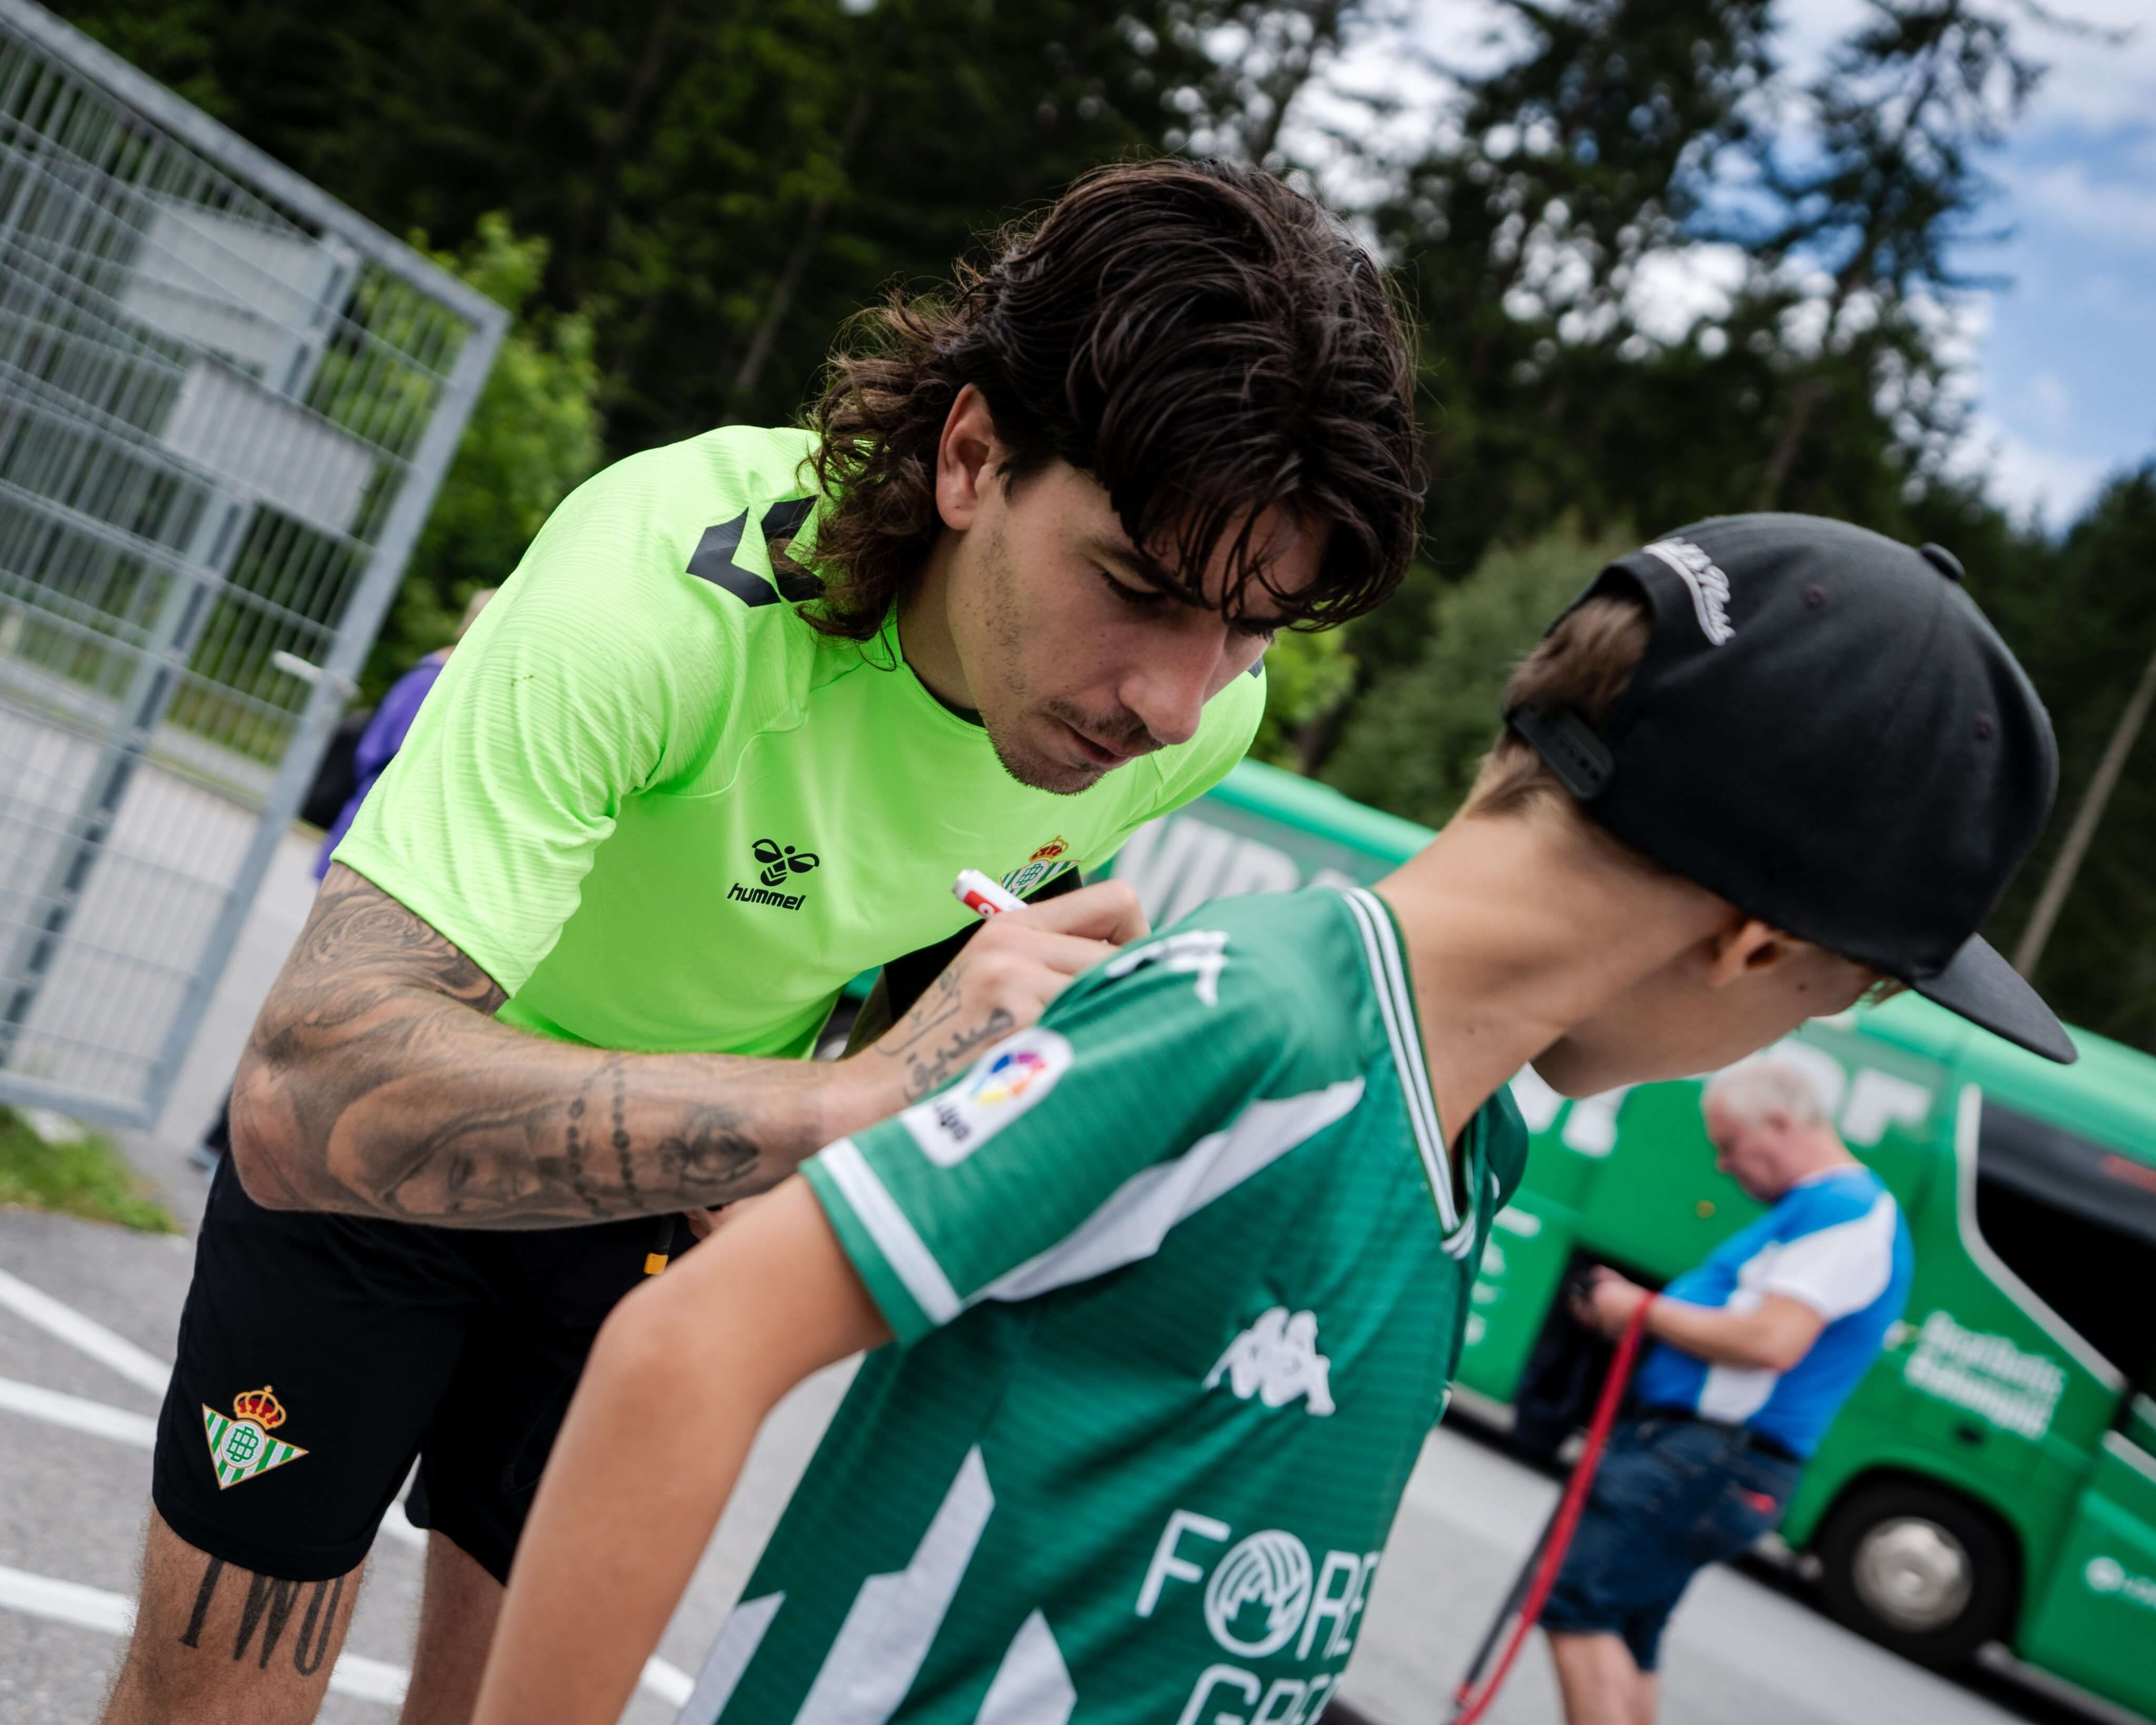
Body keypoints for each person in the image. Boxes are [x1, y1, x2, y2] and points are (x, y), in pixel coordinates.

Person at [104, 157, 1425, 1725]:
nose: (1174, 700)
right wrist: (834, 1116)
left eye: (1252, 625)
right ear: (971, 455)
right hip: (400, 1139)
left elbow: (944, 927)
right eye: (1137, 587)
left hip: (666, 1199)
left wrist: (896, 1070)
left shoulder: (1196, 714)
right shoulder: (663, 581)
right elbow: (306, 1092)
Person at [466, 514, 2073, 1725]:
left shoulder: (1471, 1132)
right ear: (1758, 943)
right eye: (1837, 998)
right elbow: (686, 1349)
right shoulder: (1257, 1018)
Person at [1549, 1055, 1916, 1725]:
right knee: (1630, 1627)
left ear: (1779, 1122)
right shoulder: (1826, 1209)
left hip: (1707, 1452)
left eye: (1728, 1145)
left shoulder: (1845, 1210)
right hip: (1713, 1457)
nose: (1722, 1165)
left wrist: (1638, 1310)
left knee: (1575, 1603)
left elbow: (1772, 1340)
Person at [189, 591, 496, 1173]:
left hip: (373, 850)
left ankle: (241, 1137)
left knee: (322, 1007)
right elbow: (393, 758)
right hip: (374, 856)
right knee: (316, 1007)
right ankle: (229, 1137)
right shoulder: (438, 682)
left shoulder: (437, 675)